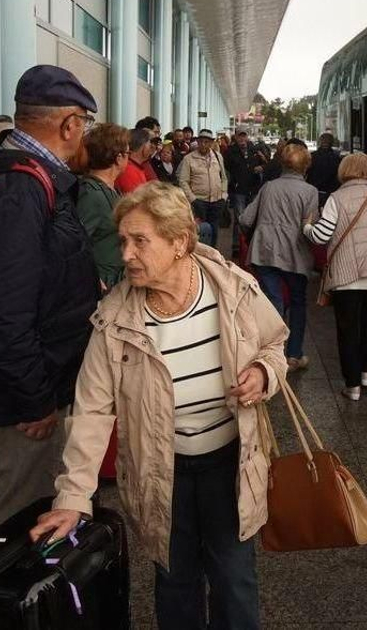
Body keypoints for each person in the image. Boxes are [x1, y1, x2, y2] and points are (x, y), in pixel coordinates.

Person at [30, 182, 289, 629]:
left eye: (140, 241)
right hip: (159, 471)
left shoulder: (233, 291)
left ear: (179, 242)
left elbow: (275, 343)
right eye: (123, 241)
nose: (126, 253)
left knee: (233, 579)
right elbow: (91, 412)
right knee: (175, 582)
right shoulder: (114, 321)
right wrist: (73, 497)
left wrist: (265, 373)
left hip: (229, 462)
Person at [0, 64, 100, 528]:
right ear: (70, 124)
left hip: (29, 382)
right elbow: (3, 312)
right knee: (28, 519)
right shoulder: (21, 187)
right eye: (85, 123)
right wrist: (35, 399)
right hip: (26, 398)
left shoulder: (18, 174)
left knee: (38, 509)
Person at [305, 152, 367, 401]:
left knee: (348, 329)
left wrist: (307, 227)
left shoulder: (336, 198)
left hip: (349, 274)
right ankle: (366, 374)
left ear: (344, 171)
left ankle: (352, 387)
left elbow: (321, 235)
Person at [240, 142, 320, 371]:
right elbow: (310, 226)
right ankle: (293, 355)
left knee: (272, 300)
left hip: (264, 251)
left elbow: (246, 219)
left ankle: (270, 353)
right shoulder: (310, 192)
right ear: (305, 166)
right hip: (295, 255)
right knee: (297, 302)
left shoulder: (268, 187)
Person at [75, 123, 130, 290]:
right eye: (128, 153)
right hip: (103, 283)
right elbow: (75, 244)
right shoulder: (92, 194)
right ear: (119, 158)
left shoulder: (109, 189)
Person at [176, 129, 228, 247]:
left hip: (216, 202)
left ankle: (212, 257)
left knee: (214, 232)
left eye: (207, 142)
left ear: (211, 143)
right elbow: (183, 181)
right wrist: (193, 199)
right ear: (197, 142)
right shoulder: (189, 159)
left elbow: (224, 178)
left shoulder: (218, 156)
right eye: (201, 142)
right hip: (199, 203)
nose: (203, 144)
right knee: (199, 233)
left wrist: (224, 196)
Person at [225, 130, 263, 228]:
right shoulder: (230, 151)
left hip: (253, 187)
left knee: (251, 217)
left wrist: (260, 167)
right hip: (238, 189)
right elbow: (228, 166)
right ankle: (237, 241)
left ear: (247, 137)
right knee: (239, 217)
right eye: (240, 136)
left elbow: (263, 163)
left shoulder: (254, 149)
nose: (242, 139)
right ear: (236, 137)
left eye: (244, 136)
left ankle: (248, 241)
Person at [116, 127, 159, 194]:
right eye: (149, 143)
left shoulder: (135, 167)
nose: (152, 146)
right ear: (143, 145)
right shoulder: (129, 171)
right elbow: (137, 201)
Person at [306, 132, 344, 205]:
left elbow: (307, 173)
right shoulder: (337, 159)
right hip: (331, 193)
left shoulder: (312, 157)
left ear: (320, 142)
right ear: (332, 143)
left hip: (314, 191)